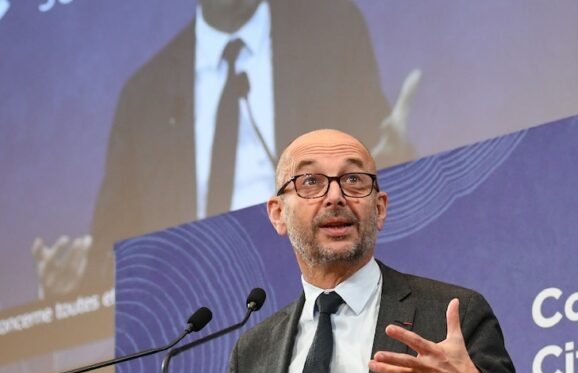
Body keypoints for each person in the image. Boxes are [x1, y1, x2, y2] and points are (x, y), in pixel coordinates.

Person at [223, 129, 555, 373]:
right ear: (277, 214)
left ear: (379, 209)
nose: (335, 196)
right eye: (311, 181)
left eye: (353, 180)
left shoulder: (446, 315)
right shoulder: (253, 350)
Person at [33, 0, 419, 297]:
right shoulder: (143, 96)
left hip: (319, 286)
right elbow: (117, 253)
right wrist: (78, 282)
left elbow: (372, 167)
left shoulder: (331, 35)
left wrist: (395, 161)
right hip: (197, 312)